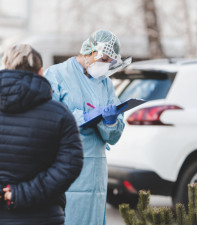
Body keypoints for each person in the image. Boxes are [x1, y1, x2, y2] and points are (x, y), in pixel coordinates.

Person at [0, 44, 83, 225]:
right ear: (40, 71)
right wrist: (22, 193)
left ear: (5, 67)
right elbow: (71, 163)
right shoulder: (60, 114)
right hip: (43, 216)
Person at [45, 29, 128, 225]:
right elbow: (48, 117)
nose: (106, 66)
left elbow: (114, 136)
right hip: (66, 163)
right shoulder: (56, 74)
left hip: (95, 171)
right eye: (104, 59)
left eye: (110, 63)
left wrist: (111, 121)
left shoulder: (105, 83)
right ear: (90, 50)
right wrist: (83, 117)